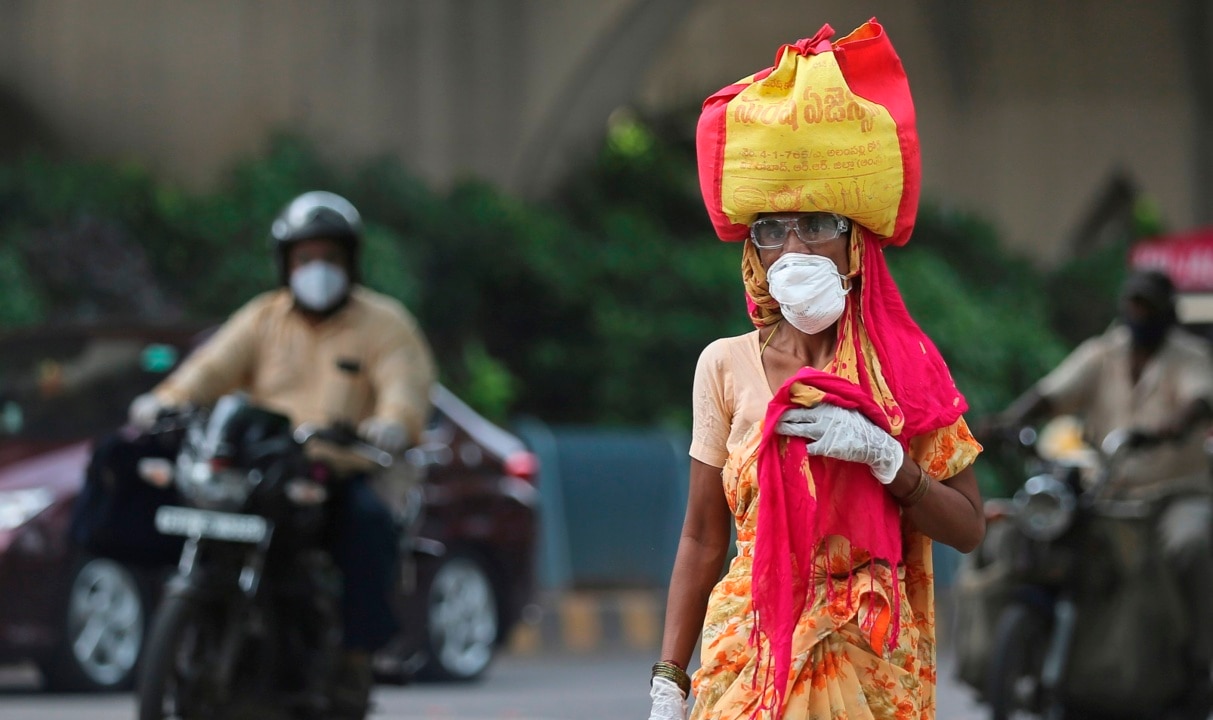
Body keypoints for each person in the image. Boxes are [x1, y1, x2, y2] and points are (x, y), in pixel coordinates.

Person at [648, 19, 985, 720]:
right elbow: (704, 536)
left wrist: (889, 460)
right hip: (745, 656)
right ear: (754, 251)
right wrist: (668, 680)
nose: (794, 247)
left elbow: (968, 528)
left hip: (865, 657)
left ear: (854, 244)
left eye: (817, 225)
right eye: (771, 229)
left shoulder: (906, 368)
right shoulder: (723, 365)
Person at [127, 190, 435, 710]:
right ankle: (216, 620)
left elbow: (405, 387)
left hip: (337, 472)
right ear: (286, 263)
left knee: (368, 526)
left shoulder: (385, 324)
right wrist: (164, 401)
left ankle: (354, 659)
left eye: (330, 258)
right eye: (306, 258)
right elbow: (210, 370)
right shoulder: (263, 318)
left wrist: (390, 425)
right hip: (264, 467)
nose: (318, 269)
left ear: (351, 262)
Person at [990, 267, 1213, 700]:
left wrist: (1169, 428)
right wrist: (1010, 420)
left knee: (1191, 544)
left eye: (1148, 307)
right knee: (1035, 535)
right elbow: (1051, 392)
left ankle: (1199, 661)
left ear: (1168, 312)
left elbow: (1200, 399)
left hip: (1173, 494)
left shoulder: (1191, 358)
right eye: (1133, 305)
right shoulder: (1102, 353)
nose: (1139, 314)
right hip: (1106, 491)